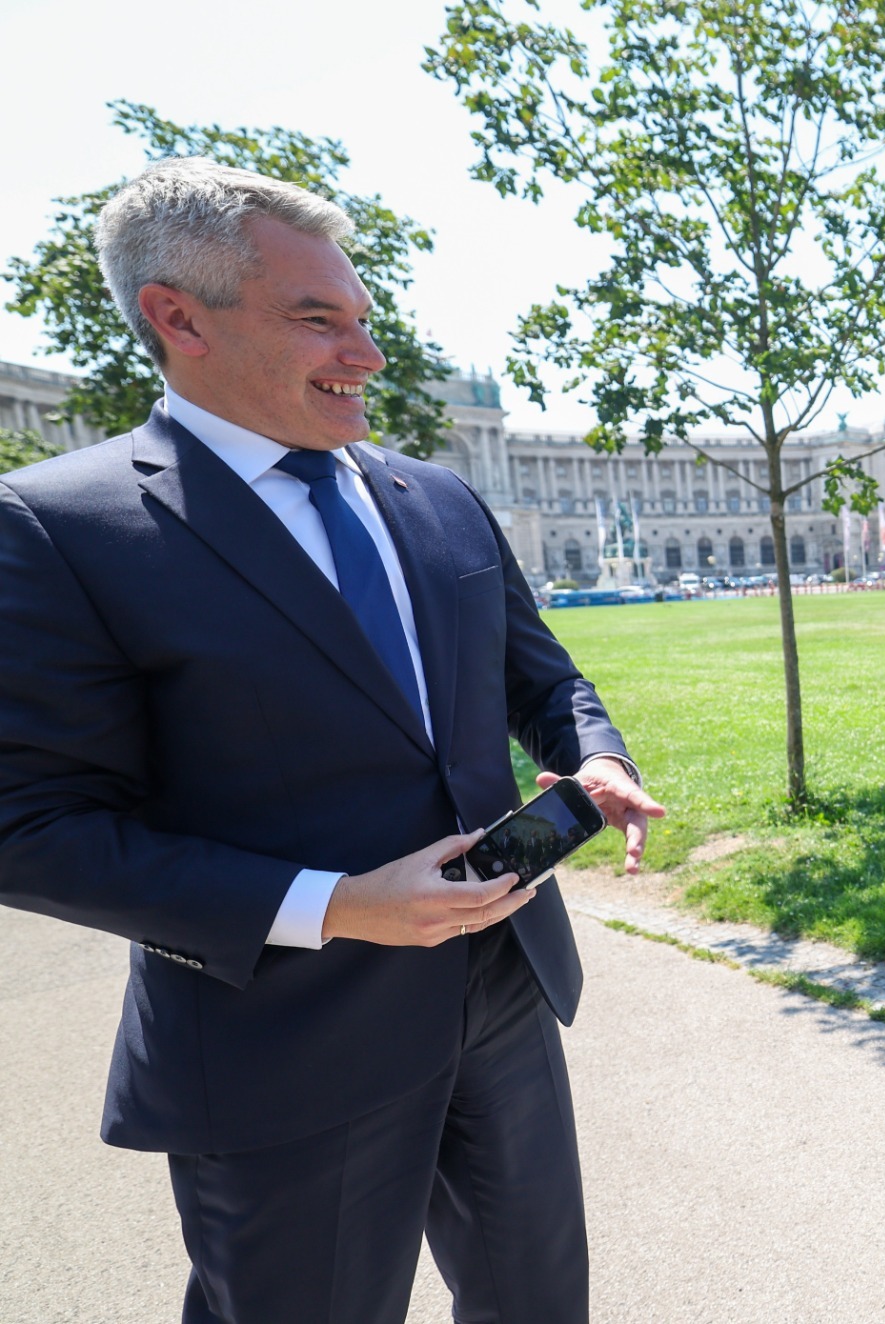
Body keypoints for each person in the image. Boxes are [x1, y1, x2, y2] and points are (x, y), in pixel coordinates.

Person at [0, 157, 664, 1323]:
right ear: (176, 317)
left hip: (500, 992)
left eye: (362, 320)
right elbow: (29, 831)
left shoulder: (439, 496)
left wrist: (594, 752)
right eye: (319, 321)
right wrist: (334, 903)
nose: (366, 356)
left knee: (540, 1304)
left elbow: (542, 676)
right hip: (283, 1037)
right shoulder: (58, 526)